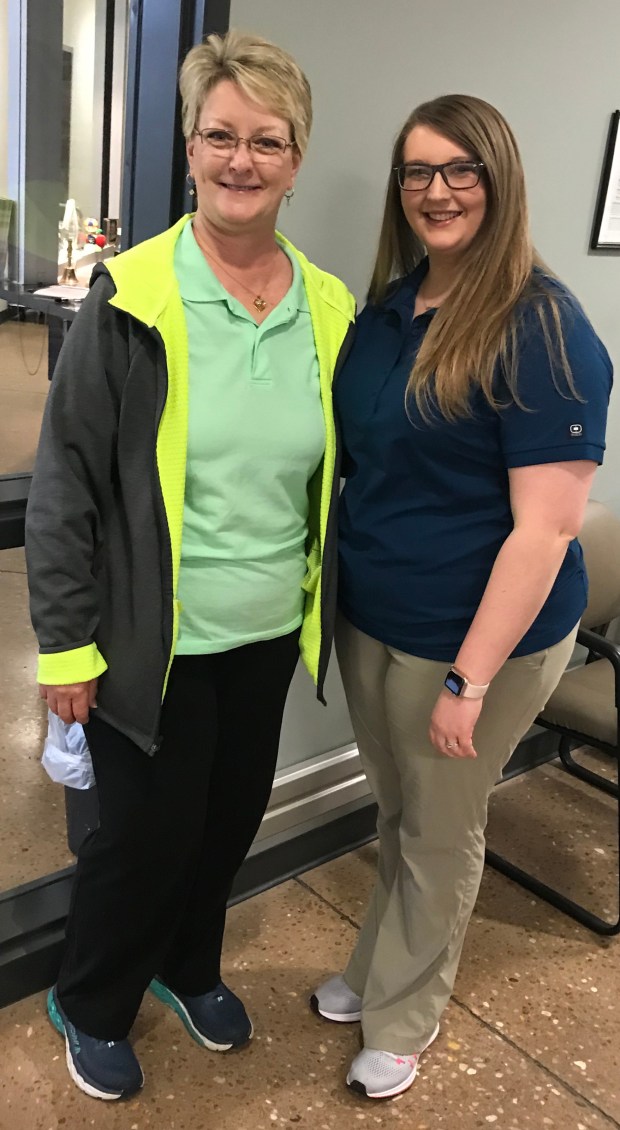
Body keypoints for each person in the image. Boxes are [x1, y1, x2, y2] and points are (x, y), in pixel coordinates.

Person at [26, 30, 354, 1101]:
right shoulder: (131, 297)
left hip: (265, 629)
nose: (240, 159)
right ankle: (90, 995)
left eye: (267, 140)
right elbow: (66, 485)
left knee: (223, 823)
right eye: (221, 135)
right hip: (146, 638)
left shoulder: (329, 307)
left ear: (295, 158)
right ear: (190, 144)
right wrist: (65, 646)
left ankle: (188, 963)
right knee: (137, 842)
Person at [311, 94, 613, 1100]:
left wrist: (466, 679)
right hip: (376, 614)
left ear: (497, 178)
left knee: (440, 829)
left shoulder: (543, 327)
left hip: (479, 636)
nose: (435, 189)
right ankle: (372, 966)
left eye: (459, 168)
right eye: (415, 171)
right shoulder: (392, 306)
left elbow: (544, 529)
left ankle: (403, 1013)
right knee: (397, 811)